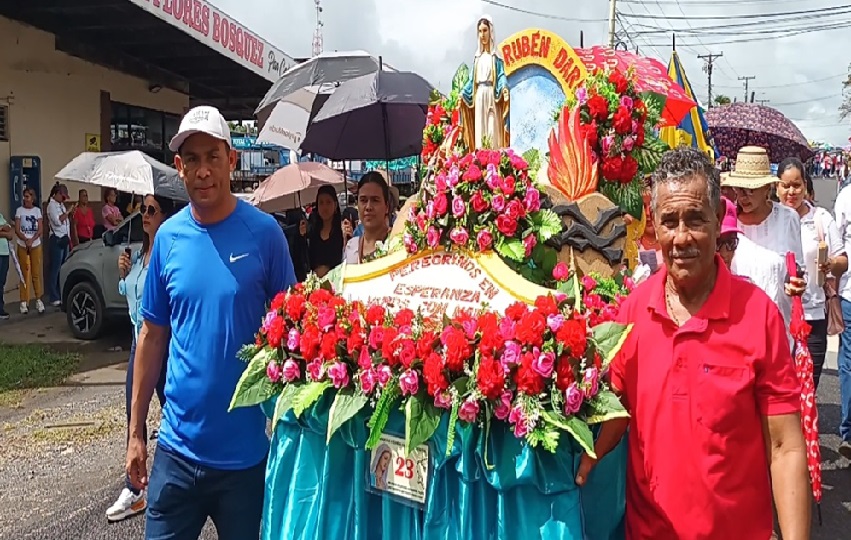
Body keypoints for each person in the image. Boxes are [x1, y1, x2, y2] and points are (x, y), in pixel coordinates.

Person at [576, 147, 810, 539]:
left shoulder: (759, 316)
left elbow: (785, 447)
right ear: (654, 224)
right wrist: (588, 456)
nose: (682, 237)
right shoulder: (632, 314)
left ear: (719, 219)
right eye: (669, 222)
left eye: (695, 219)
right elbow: (617, 407)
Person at [126, 105, 296, 540]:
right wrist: (135, 433)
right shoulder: (168, 238)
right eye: (194, 160)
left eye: (213, 157)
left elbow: (294, 333)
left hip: (245, 459)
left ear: (232, 160)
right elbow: (152, 336)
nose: (203, 171)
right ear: (180, 168)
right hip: (177, 455)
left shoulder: (266, 235)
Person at [107, 193, 174, 522]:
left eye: (151, 210)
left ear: (164, 215)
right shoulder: (140, 256)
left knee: (174, 409)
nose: (144, 215)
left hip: (162, 345)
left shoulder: (168, 253)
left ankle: (183, 479)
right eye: (142, 210)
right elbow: (130, 295)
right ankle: (134, 489)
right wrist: (123, 275)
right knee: (134, 415)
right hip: (138, 344)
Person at [777, 157, 847, 389]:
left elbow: (843, 262)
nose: (791, 192)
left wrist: (830, 265)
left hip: (813, 317)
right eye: (785, 185)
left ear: (806, 186)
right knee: (778, 390)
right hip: (777, 318)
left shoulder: (821, 219)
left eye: (796, 185)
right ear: (776, 187)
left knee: (807, 388)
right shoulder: (770, 219)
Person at [460, 14, 509, 150]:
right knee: (481, 130)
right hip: (480, 95)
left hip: (492, 95)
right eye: (480, 31)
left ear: (490, 32)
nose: (482, 35)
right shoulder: (477, 58)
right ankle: (481, 161)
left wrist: (504, 87)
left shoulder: (495, 57)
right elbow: (471, 81)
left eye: (485, 30)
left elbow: (501, 75)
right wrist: (463, 93)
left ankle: (494, 159)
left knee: (492, 130)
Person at [831, 180, 851, 459]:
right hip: (850, 295)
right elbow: (839, 252)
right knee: (849, 364)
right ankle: (849, 433)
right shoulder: (846, 196)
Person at [344, 172, 391, 264]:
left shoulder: (397, 243)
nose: (368, 207)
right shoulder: (351, 247)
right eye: (363, 200)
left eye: (375, 200)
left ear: (387, 207)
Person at [14, 188, 44, 315]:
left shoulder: (37, 211)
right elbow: (17, 228)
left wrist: (32, 240)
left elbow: (40, 229)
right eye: (24, 196)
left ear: (32, 198)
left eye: (27, 196)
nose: (25, 199)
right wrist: (25, 239)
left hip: (35, 244)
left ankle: (38, 299)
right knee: (23, 273)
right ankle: (23, 301)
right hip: (22, 244)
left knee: (35, 274)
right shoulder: (19, 211)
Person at [45, 182, 74, 307]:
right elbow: (57, 222)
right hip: (57, 239)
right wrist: (67, 212)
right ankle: (53, 295)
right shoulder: (51, 206)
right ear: (56, 194)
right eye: (62, 196)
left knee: (63, 267)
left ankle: (61, 292)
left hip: (64, 238)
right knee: (55, 268)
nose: (63, 199)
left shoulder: (60, 204)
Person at [307, 184, 343, 277]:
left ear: (335, 205)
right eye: (321, 203)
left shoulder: (342, 231)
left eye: (328, 202)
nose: (324, 207)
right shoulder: (312, 232)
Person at [0, 210, 12, 320]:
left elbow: (9, 228)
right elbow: (6, 232)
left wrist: (4, 229)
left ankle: (1, 306)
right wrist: (4, 233)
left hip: (4, 253)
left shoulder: (0, 216)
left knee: (2, 281)